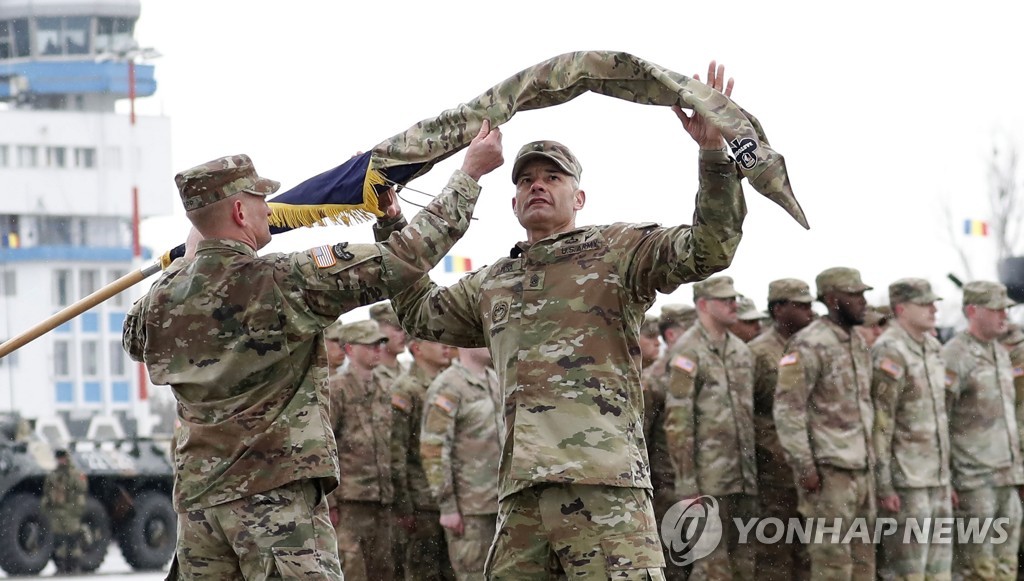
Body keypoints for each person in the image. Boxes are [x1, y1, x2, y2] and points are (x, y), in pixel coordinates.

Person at [381, 61, 746, 578]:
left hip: (605, 487)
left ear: (579, 198)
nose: (538, 186)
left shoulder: (618, 250)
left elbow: (709, 248)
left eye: (553, 177)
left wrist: (713, 154)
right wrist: (391, 222)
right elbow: (420, 313)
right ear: (511, 202)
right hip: (523, 494)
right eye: (527, 179)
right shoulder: (494, 282)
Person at [121, 123, 504, 579]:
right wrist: (469, 176)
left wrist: (188, 260)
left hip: (201, 507)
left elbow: (133, 338)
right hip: (274, 504)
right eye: (262, 199)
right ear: (241, 212)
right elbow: (406, 257)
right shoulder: (282, 280)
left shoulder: (161, 301)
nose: (271, 209)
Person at [774, 267, 876, 580]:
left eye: (863, 295)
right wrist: (805, 467)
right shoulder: (809, 344)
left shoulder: (856, 342)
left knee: (863, 563)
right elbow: (788, 409)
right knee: (832, 565)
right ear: (832, 299)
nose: (862, 301)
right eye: (854, 295)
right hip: (829, 471)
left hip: (861, 467)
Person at [663, 275, 758, 579]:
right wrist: (687, 484)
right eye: (725, 300)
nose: (734, 304)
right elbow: (678, 422)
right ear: (703, 305)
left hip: (743, 477)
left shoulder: (742, 352)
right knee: (711, 568)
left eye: (734, 298)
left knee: (745, 563)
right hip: (708, 481)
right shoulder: (687, 353)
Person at [870, 278, 952, 580]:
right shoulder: (889, 350)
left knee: (939, 571)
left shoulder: (932, 347)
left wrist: (947, 477)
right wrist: (884, 484)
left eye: (934, 302)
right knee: (908, 572)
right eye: (925, 303)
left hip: (937, 477)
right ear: (901, 308)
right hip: (906, 481)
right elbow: (880, 422)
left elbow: (940, 416)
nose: (934, 308)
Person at [942, 281, 1024, 579]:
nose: (1005, 315)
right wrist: (947, 477)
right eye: (997, 309)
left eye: (1007, 309)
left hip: (1006, 475)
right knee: (978, 569)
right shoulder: (954, 355)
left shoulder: (1001, 354)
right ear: (973, 311)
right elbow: (941, 418)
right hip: (973, 480)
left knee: (1006, 566)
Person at [749, 278, 814, 581]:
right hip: (773, 470)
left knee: (809, 552)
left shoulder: (812, 347)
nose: (808, 311)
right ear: (778, 309)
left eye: (810, 304)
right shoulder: (757, 353)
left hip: (812, 467)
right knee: (774, 550)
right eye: (799, 305)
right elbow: (744, 413)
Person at [328, 320, 403, 581]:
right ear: (350, 348)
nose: (377, 350)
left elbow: (393, 444)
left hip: (382, 498)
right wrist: (330, 501)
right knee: (351, 568)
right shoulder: (336, 389)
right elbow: (327, 446)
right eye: (370, 345)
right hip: (350, 499)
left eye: (380, 344)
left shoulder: (385, 388)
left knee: (383, 569)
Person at [420, 347, 502, 581]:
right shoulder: (449, 385)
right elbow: (434, 449)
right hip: (470, 509)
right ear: (465, 342)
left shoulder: (494, 379)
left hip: (501, 504)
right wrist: (448, 506)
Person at [390, 337, 456, 580]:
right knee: (423, 571)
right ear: (417, 348)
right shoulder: (406, 389)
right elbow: (396, 452)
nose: (445, 346)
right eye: (437, 342)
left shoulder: (450, 384)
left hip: (451, 496)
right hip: (422, 500)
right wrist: (404, 506)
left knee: (454, 571)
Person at [643, 304, 698, 581]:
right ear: (674, 336)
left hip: (701, 483)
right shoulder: (653, 380)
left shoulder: (692, 371)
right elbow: (642, 440)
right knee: (673, 563)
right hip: (667, 488)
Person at [41, 449, 87, 573]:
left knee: (73, 540)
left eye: (62, 458)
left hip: (71, 511)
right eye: (59, 458)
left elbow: (82, 488)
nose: (60, 461)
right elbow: (47, 491)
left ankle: (75, 566)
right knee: (58, 540)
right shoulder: (53, 475)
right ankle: (60, 566)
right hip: (57, 512)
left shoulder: (74, 474)